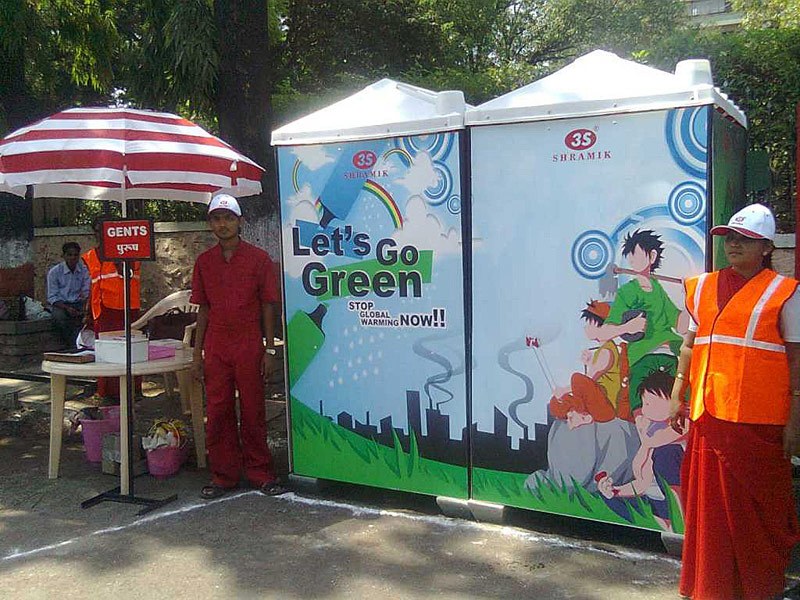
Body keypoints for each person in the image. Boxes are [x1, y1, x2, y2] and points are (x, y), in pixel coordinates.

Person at [670, 203, 800, 599]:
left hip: (758, 424)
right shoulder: (702, 287)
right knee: (709, 510)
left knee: (757, 513)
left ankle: (757, 588)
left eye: (746, 239)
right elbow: (690, 345)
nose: (734, 244)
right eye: (730, 237)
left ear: (767, 248)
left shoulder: (785, 293)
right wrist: (678, 392)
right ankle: (710, 586)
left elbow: (796, 359)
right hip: (709, 416)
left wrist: (795, 420)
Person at [191, 194, 286, 498]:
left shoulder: (259, 259)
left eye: (229, 218)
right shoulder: (204, 262)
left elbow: (269, 305)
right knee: (218, 410)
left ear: (240, 221)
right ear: (210, 224)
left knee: (253, 409)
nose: (223, 224)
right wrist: (197, 353)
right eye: (217, 219)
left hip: (248, 342)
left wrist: (269, 349)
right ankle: (224, 475)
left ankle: (260, 472)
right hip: (216, 344)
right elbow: (203, 308)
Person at [83, 219, 142, 400]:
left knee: (130, 352)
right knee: (106, 354)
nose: (100, 234)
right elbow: (93, 285)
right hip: (103, 310)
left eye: (105, 230)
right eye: (96, 230)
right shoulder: (91, 255)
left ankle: (132, 392)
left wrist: (118, 256)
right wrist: (88, 312)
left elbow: (129, 273)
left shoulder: (131, 252)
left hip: (128, 309)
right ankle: (107, 393)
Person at [47, 242, 90, 348]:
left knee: (88, 317)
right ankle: (69, 345)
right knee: (59, 317)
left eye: (75, 255)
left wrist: (85, 308)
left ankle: (82, 343)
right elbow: (52, 296)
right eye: (69, 255)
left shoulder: (84, 270)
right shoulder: (54, 272)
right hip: (61, 304)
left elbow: (87, 291)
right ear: (64, 256)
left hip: (79, 303)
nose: (73, 258)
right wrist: (67, 308)